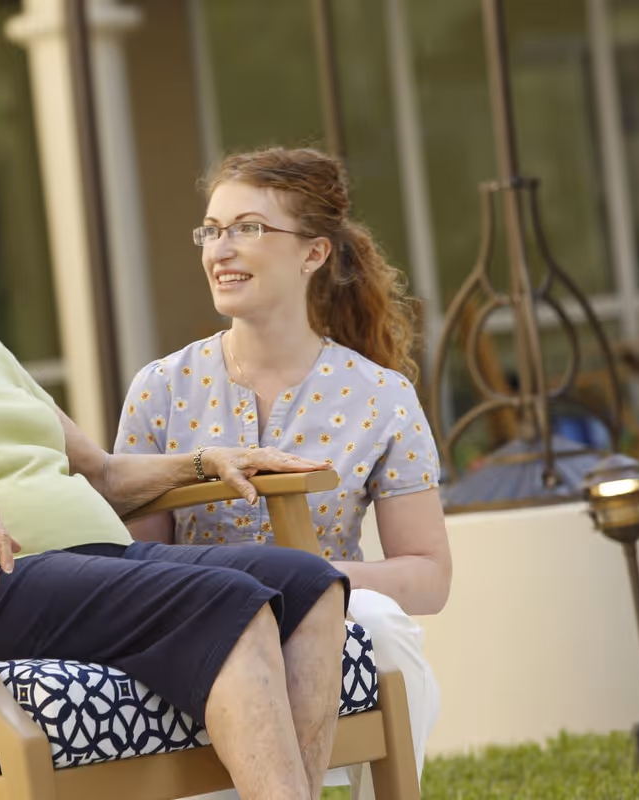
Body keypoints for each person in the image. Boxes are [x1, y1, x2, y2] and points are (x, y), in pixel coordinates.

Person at [0, 133, 354, 800]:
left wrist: (200, 462)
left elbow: (100, 476)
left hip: (88, 567)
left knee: (308, 583)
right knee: (230, 603)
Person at [116, 147, 452, 799]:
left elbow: (429, 575)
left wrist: (306, 584)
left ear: (314, 253)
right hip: (202, 638)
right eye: (211, 230)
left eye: (247, 228)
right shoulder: (160, 388)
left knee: (384, 626)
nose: (221, 249)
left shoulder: (383, 398)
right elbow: (133, 560)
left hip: (338, 630)